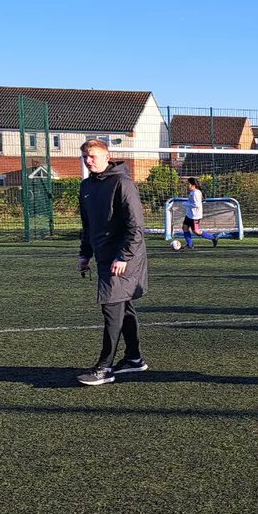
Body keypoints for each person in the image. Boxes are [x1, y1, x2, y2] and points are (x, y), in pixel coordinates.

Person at [75, 139, 149, 385]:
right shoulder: (86, 186)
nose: (88, 161)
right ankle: (134, 359)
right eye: (85, 156)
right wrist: (85, 254)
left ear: (107, 157)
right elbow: (88, 226)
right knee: (123, 307)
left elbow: (136, 227)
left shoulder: (122, 183)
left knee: (111, 308)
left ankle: (104, 368)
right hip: (105, 257)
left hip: (125, 258)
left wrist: (123, 257)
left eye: (93, 156)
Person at [183, 177, 219, 248]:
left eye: (188, 184)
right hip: (189, 215)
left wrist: (186, 204)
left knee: (196, 231)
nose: (187, 185)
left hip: (195, 217)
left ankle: (213, 238)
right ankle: (190, 244)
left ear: (193, 185)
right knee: (185, 228)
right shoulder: (193, 192)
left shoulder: (196, 193)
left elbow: (196, 205)